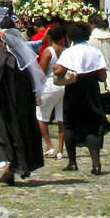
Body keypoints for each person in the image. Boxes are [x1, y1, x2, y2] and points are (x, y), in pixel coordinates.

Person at [0, 27, 45, 184]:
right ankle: (17, 165)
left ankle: (9, 165)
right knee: (18, 135)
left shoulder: (2, 58)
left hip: (3, 107)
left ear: (4, 42)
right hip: (22, 106)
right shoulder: (23, 60)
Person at [53, 21, 107, 176]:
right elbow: (102, 76)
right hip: (92, 90)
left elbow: (58, 70)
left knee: (70, 125)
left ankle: (72, 162)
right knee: (93, 125)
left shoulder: (70, 52)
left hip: (74, 89)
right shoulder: (94, 51)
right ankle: (96, 164)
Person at [36, 23, 66, 158]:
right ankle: (60, 149)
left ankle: (49, 146)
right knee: (61, 118)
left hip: (50, 84)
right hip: (63, 85)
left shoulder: (49, 51)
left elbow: (41, 72)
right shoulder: (65, 50)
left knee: (41, 116)